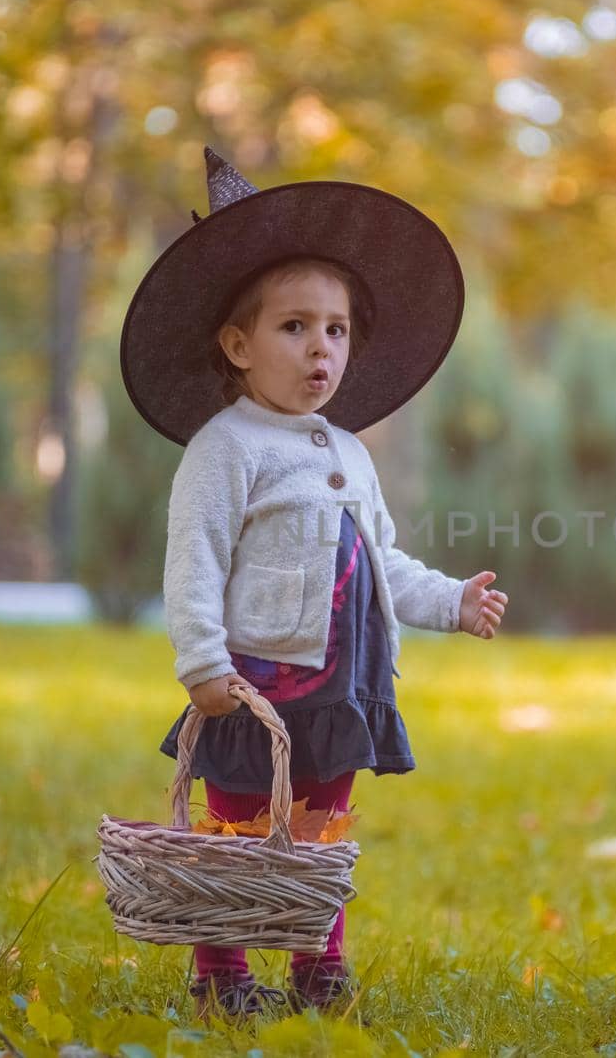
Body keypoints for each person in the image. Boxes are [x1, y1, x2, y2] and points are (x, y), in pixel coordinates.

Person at [119, 147, 509, 1021]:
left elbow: (380, 559)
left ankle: (315, 958)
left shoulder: (350, 451)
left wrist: (451, 600)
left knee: (322, 827)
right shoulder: (228, 447)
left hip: (342, 684)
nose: (320, 348)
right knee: (241, 821)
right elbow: (195, 558)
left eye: (335, 329)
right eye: (294, 327)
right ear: (238, 344)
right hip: (254, 683)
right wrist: (201, 663)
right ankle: (221, 964)